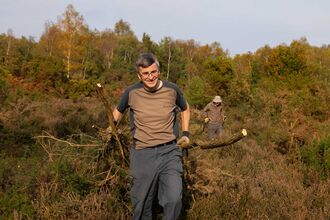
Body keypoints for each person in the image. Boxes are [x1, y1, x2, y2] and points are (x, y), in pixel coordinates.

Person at [112, 53, 190, 220]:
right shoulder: (131, 92)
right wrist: (109, 129)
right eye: (146, 74)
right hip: (142, 153)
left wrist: (185, 134)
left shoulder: (172, 89)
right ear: (139, 75)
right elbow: (118, 111)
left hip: (169, 151)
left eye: (153, 72)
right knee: (141, 204)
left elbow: (185, 108)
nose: (150, 76)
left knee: (174, 199)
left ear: (159, 71)